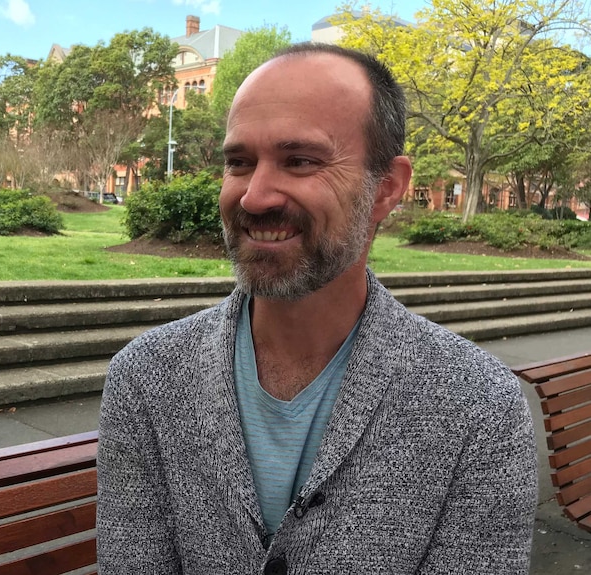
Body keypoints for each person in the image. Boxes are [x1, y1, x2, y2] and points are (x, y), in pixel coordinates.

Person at [97, 42, 537, 574]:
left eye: (300, 160)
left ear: (387, 187)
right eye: (239, 162)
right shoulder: (146, 378)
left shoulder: (479, 407)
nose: (254, 196)